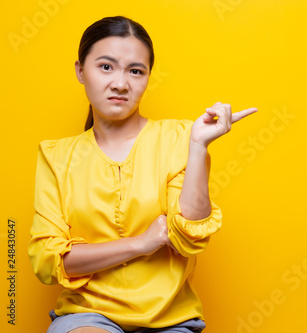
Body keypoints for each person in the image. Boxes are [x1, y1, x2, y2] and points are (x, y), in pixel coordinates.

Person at [28, 15, 257, 333]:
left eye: (136, 71)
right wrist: (140, 244)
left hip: (170, 318)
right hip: (89, 315)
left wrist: (198, 147)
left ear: (148, 77)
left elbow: (189, 237)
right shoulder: (55, 156)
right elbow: (48, 261)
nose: (121, 83)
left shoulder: (180, 137)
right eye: (106, 67)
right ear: (81, 71)